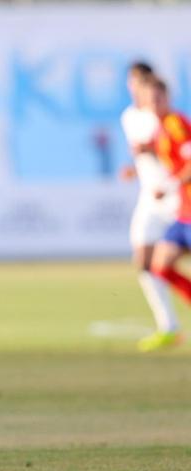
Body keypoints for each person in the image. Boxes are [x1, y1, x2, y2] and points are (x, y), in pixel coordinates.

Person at [118, 62, 181, 352]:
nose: (136, 89)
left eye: (141, 83)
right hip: (151, 196)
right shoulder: (130, 117)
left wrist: (154, 155)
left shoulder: (167, 118)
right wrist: (136, 168)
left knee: (165, 260)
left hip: (176, 196)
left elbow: (177, 152)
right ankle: (168, 325)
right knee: (145, 260)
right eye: (133, 83)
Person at [141, 75, 188, 351]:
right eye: (150, 99)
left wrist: (169, 186)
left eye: (159, 97)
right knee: (160, 265)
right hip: (183, 213)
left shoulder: (176, 124)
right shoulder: (159, 130)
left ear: (167, 98)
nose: (155, 103)